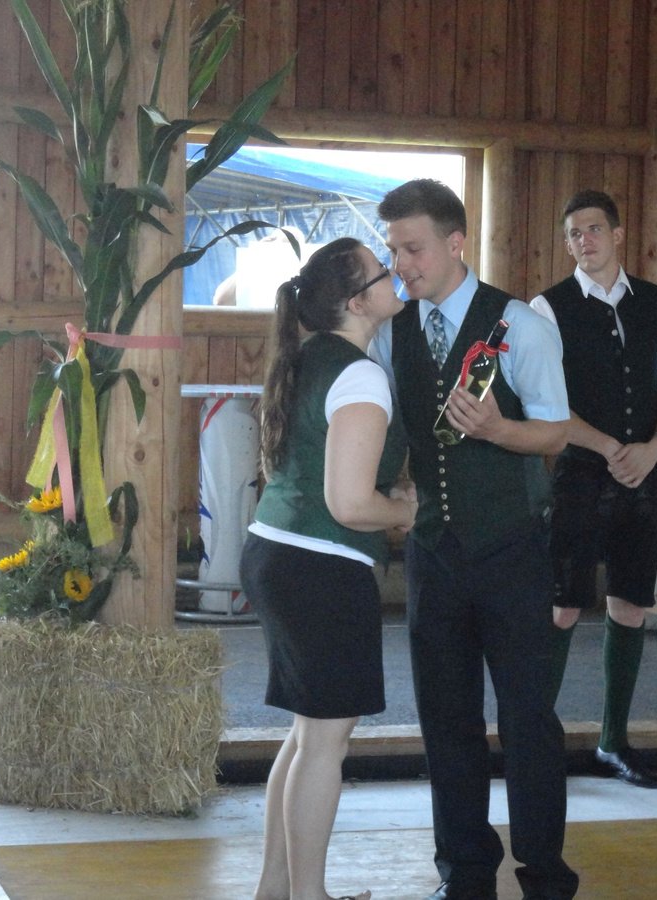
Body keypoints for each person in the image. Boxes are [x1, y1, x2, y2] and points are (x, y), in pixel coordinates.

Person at [371, 179, 578, 900]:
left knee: (528, 720)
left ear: (456, 242)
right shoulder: (392, 330)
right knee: (446, 720)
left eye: (414, 248)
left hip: (513, 551)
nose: (401, 264)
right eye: (394, 250)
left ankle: (545, 875)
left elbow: (556, 431)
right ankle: (463, 874)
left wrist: (497, 429)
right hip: (433, 555)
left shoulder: (519, 325)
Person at [240, 237, 416, 900]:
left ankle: (276, 891)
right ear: (356, 302)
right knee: (325, 744)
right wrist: (408, 512)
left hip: (276, 553)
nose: (394, 275)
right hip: (321, 566)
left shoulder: (310, 356)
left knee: (307, 736)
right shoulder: (359, 375)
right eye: (381, 271)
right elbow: (351, 504)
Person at [528, 190, 657, 791]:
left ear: (618, 235)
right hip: (581, 472)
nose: (584, 241)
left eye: (594, 229)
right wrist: (608, 448)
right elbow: (546, 401)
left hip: (646, 471)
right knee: (563, 604)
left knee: (631, 604)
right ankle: (535, 742)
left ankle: (614, 741)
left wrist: (656, 447)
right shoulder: (548, 307)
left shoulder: (653, 299)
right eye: (574, 233)